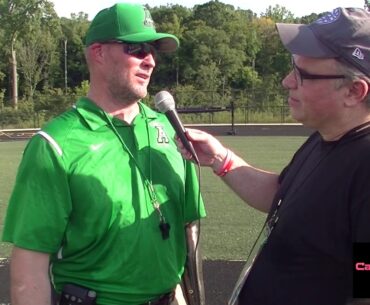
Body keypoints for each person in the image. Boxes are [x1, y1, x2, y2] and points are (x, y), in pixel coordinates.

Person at [2, 3, 206, 305]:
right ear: (98, 53)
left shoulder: (170, 131)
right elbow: (30, 268)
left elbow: (188, 235)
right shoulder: (56, 144)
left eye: (153, 49)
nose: (150, 60)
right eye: (137, 48)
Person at [177, 7, 370, 305]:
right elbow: (283, 195)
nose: (286, 82)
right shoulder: (326, 138)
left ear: (354, 91)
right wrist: (221, 158)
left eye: (302, 75)